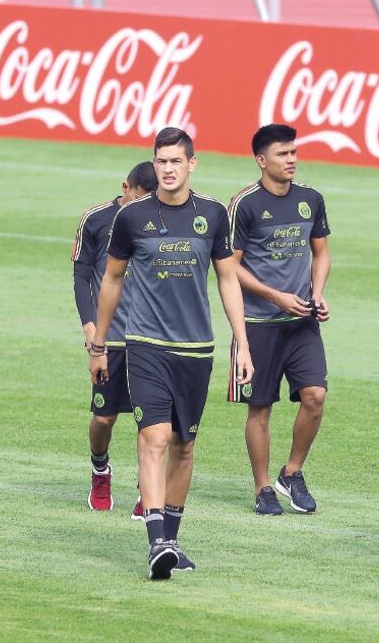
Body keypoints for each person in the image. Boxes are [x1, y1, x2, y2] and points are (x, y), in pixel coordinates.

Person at [88, 127, 253, 580]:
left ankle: (172, 540)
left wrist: (241, 342)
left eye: (175, 161)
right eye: (161, 161)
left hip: (196, 350)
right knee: (154, 438)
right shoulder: (132, 218)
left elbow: (226, 279)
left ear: (192, 163)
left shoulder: (214, 215)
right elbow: (112, 280)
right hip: (146, 345)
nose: (167, 169)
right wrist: (99, 344)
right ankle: (156, 540)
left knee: (184, 444)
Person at [227, 124, 331, 516]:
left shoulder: (310, 199)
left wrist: (316, 292)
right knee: (261, 408)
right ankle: (262, 487)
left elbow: (321, 253)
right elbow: (229, 269)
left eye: (293, 152)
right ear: (261, 160)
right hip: (257, 324)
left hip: (302, 322)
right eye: (282, 154)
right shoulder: (244, 205)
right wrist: (274, 296)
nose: (291, 160)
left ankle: (292, 471)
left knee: (315, 397)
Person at [71, 161, 156, 517]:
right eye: (140, 195)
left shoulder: (162, 219)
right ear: (126, 187)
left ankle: (147, 492)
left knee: (151, 422)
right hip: (110, 339)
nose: (146, 204)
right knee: (104, 418)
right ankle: (100, 469)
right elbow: (81, 275)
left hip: (150, 339)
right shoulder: (96, 219)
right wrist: (92, 332)